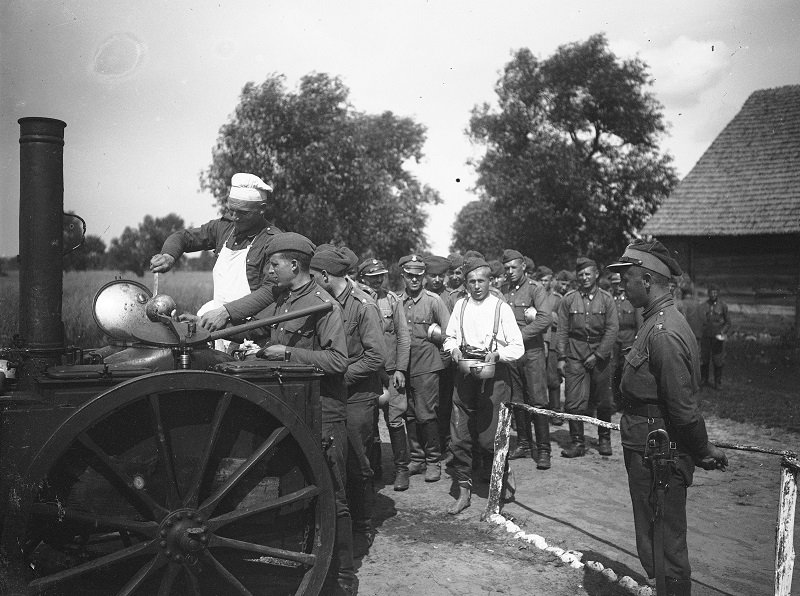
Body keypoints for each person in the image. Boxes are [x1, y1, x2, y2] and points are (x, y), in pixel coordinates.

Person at [607, 239, 728, 596]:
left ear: (646, 281)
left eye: (626, 278)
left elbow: (682, 407)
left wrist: (703, 448)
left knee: (666, 543)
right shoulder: (655, 322)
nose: (621, 285)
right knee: (655, 538)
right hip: (648, 445)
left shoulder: (663, 332)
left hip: (659, 451)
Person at [253, 232, 357, 596]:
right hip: (296, 410)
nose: (270, 269)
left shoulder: (322, 304)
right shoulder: (287, 299)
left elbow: (338, 361)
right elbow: (258, 327)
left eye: (275, 264)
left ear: (294, 265)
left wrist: (285, 353)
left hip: (324, 413)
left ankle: (344, 579)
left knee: (334, 496)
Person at [310, 247, 385, 547]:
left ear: (326, 275)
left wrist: (340, 375)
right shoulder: (322, 304)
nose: (312, 281)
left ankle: (363, 527)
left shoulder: (363, 305)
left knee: (357, 462)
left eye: (314, 276)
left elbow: (377, 356)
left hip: (358, 396)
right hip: (333, 395)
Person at [150, 173, 281, 332]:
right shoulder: (224, 228)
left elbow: (270, 291)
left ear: (262, 209)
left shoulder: (273, 241)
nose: (235, 217)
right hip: (216, 322)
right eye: (231, 210)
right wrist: (168, 255)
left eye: (243, 212)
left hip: (250, 330)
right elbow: (183, 238)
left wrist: (226, 313)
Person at [443, 257, 524, 514]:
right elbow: (449, 337)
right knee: (460, 437)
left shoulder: (502, 308)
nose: (476, 286)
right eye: (471, 281)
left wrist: (498, 354)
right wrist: (453, 349)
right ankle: (464, 493)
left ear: (490, 281)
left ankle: (500, 481)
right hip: (465, 373)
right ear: (465, 283)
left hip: (494, 375)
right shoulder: (461, 306)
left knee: (491, 438)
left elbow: (517, 346)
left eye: (481, 281)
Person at [555, 257, 618, 457]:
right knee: (573, 402)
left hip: (601, 357)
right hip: (575, 356)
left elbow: (612, 329)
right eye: (581, 274)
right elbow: (562, 330)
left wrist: (599, 354)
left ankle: (604, 439)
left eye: (588, 273)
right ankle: (577, 442)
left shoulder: (607, 299)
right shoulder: (569, 299)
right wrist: (561, 357)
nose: (584, 278)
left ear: (596, 274)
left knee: (604, 401)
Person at [358, 258, 412, 491]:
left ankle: (402, 469)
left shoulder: (392, 301)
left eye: (381, 275)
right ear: (362, 279)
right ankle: (373, 469)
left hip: (391, 372)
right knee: (368, 423)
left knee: (395, 419)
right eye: (372, 277)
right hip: (368, 372)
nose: (378, 280)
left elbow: (403, 336)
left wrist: (400, 368)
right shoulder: (357, 301)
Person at [398, 254, 451, 482]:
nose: (414, 280)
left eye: (418, 276)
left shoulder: (433, 301)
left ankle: (433, 461)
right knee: (409, 412)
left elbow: (450, 333)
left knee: (426, 413)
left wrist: (441, 360)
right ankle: (417, 459)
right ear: (403, 276)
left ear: (424, 277)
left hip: (427, 366)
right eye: (410, 276)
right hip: (404, 365)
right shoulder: (397, 301)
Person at [502, 249, 554, 470]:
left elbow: (544, 320)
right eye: (507, 268)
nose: (510, 272)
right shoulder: (503, 290)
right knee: (518, 398)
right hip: (512, 355)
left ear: (523, 266)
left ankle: (544, 450)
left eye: (514, 267)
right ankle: (524, 444)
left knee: (538, 400)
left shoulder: (536, 289)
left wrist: (518, 337)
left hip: (531, 352)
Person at [424, 255, 456, 464]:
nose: (437, 280)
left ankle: (448, 443)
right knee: (428, 404)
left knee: (447, 402)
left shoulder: (452, 297)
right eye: (432, 275)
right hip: (426, 358)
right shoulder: (423, 296)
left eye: (440, 276)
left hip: (447, 358)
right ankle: (431, 446)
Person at [610, 271, 643, 411]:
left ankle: (626, 402)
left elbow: (639, 323)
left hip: (628, 338)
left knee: (626, 371)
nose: (617, 286)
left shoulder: (632, 300)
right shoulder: (609, 299)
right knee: (612, 370)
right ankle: (612, 402)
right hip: (612, 340)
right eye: (614, 283)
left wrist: (637, 340)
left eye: (619, 283)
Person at [538, 266, 564, 425]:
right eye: (541, 280)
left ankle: (555, 411)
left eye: (546, 280)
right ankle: (540, 412)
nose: (544, 283)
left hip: (553, 342)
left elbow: (561, 321)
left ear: (551, 281)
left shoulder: (557, 298)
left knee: (553, 378)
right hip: (537, 340)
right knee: (537, 378)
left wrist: (552, 317)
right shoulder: (535, 295)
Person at [700, 284, 731, 390]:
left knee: (718, 360)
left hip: (718, 338)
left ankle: (718, 382)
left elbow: (728, 322)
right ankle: (704, 379)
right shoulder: (703, 305)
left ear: (718, 293)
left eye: (715, 292)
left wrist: (723, 332)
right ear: (708, 293)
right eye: (711, 292)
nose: (713, 294)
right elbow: (700, 320)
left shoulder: (723, 306)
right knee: (704, 359)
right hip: (706, 337)